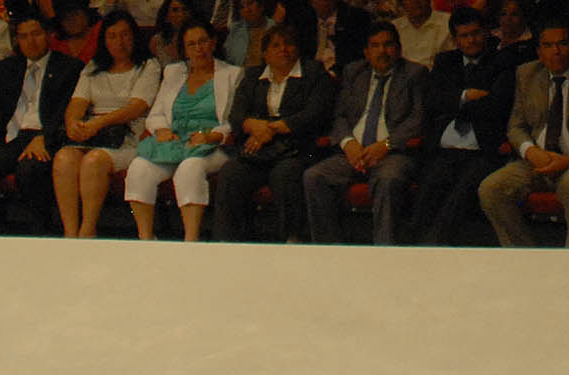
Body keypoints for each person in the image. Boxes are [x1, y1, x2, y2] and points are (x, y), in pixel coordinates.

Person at [479, 22, 569, 247]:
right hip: (536, 160)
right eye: (548, 45)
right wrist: (531, 152)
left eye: (562, 44)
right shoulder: (526, 73)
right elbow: (516, 126)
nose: (555, 51)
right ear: (539, 51)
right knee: (491, 188)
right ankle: (526, 256)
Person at [302, 20, 427, 244]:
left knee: (388, 179)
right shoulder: (354, 72)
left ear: (398, 49)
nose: (382, 51)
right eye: (375, 46)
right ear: (366, 52)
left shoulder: (414, 73)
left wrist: (385, 145)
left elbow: (418, 120)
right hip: (353, 153)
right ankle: (329, 250)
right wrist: (348, 143)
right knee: (314, 176)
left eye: (388, 45)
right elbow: (339, 115)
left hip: (392, 153)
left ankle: (384, 252)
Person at [0, 11, 82, 233]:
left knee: (29, 171)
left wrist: (44, 136)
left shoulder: (68, 67)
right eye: (23, 36)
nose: (30, 41)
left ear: (47, 35)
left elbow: (67, 110)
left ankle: (40, 233)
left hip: (49, 136)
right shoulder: (8, 67)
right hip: (14, 136)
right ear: (17, 40)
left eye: (36, 34)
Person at [213, 24, 334, 242]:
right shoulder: (252, 76)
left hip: (297, 149)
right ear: (265, 53)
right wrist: (255, 128)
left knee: (284, 174)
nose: (283, 49)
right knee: (231, 173)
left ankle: (289, 239)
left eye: (288, 44)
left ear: (297, 49)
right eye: (276, 45)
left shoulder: (314, 73)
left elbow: (315, 114)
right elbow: (236, 115)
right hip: (258, 150)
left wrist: (270, 129)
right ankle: (230, 242)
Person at [406, 7, 516, 245]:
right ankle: (412, 249)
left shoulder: (502, 61)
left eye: (476, 33)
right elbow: (432, 101)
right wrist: (467, 95)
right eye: (464, 36)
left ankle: (435, 246)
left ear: (486, 33)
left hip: (482, 149)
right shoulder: (446, 61)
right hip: (444, 149)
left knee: (460, 194)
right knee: (428, 188)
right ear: (455, 40)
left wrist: (454, 101)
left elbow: (497, 105)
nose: (471, 40)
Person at [126, 20, 243, 242]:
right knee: (138, 169)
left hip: (211, 143)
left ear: (214, 42)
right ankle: (145, 239)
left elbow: (236, 119)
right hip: (174, 141)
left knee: (189, 168)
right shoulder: (173, 72)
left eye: (203, 42)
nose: (198, 49)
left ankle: (191, 241)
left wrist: (213, 135)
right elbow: (156, 114)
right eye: (191, 45)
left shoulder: (232, 74)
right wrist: (160, 130)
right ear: (184, 49)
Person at [50, 8, 159, 238]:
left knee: (94, 161)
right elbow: (77, 104)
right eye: (112, 36)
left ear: (134, 36)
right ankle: (70, 233)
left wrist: (99, 123)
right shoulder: (92, 68)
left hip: (128, 138)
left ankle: (88, 230)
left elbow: (138, 107)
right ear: (104, 40)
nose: (119, 42)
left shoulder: (149, 66)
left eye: (125, 35)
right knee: (64, 158)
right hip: (93, 134)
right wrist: (72, 123)